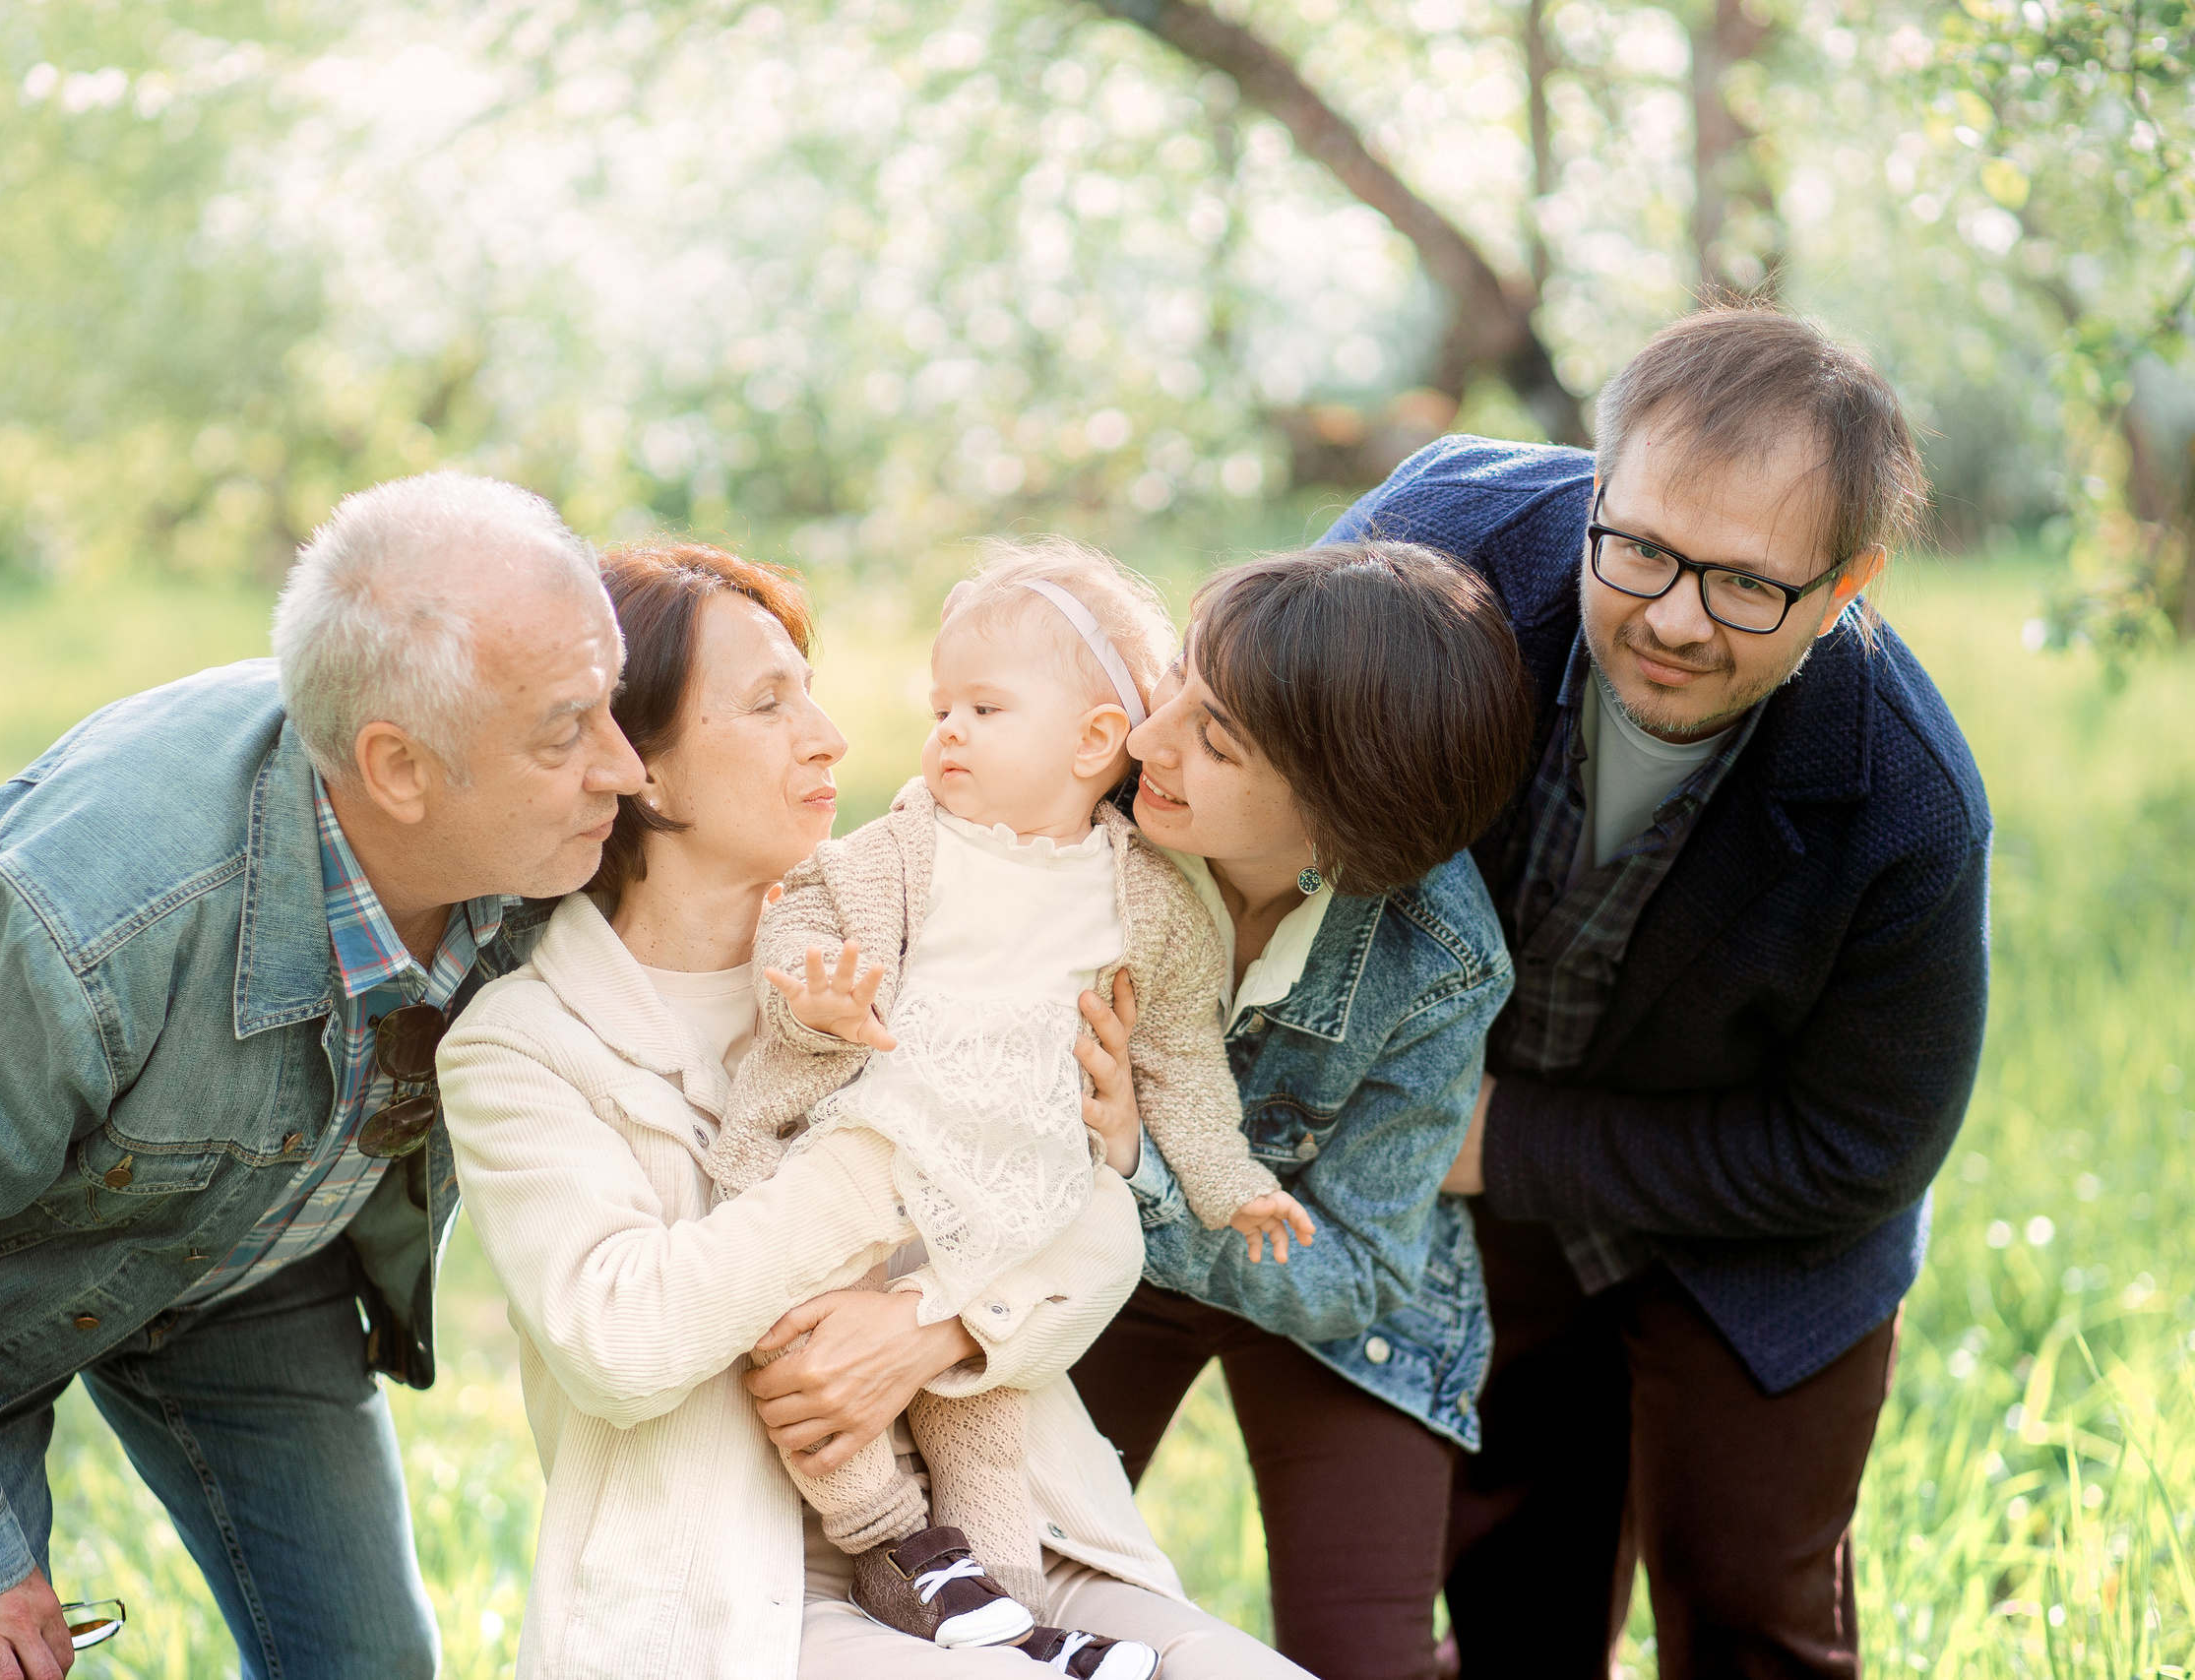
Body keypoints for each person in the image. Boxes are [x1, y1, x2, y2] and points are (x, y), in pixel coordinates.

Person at [0, 471, 644, 1680]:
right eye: (565, 732)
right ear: (396, 768)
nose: (624, 767)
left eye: (613, 707)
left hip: (253, 1238)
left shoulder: (542, 851)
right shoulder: (86, 931)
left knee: (371, 1666)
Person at [436, 539, 1312, 1679]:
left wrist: (935, 1324)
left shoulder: (931, 929)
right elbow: (621, 1343)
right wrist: (889, 1157)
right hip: (736, 1601)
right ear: (636, 767)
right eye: (768, 704)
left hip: (1021, 1547)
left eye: (809, 692)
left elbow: (1099, 1224)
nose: (828, 737)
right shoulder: (525, 1044)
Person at [1323, 302, 1990, 1676]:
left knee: (1746, 1602)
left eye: (1747, 584)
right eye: (1639, 549)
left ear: (1847, 584)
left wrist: (1498, 1140)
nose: (1675, 621)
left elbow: (1856, 1149)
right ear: (1598, 483)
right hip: (1491, 1181)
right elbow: (1221, 745)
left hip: (1763, 1221)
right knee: (1514, 1577)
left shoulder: (1909, 808)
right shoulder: (1431, 546)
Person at [707, 540, 1312, 1658]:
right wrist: (818, 1001)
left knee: (982, 1402)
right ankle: (893, 1543)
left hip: (1001, 1205)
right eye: (940, 707)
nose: (947, 731)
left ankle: (1007, 1607)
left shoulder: (1147, 899)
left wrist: (1229, 1181)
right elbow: (805, 915)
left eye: (983, 709)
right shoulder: (904, 848)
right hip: (865, 1164)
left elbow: (1179, 1061)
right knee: (803, 1349)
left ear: (1091, 740)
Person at [1067, 542, 1536, 1680]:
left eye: (1215, 739)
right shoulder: (1081, 810)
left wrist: (1139, 1167)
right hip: (1095, 1253)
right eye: (1177, 679)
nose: (1147, 738)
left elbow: (1357, 1274)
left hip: (1327, 1292)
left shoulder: (1440, 959)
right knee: (992, 1594)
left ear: (1339, 820)